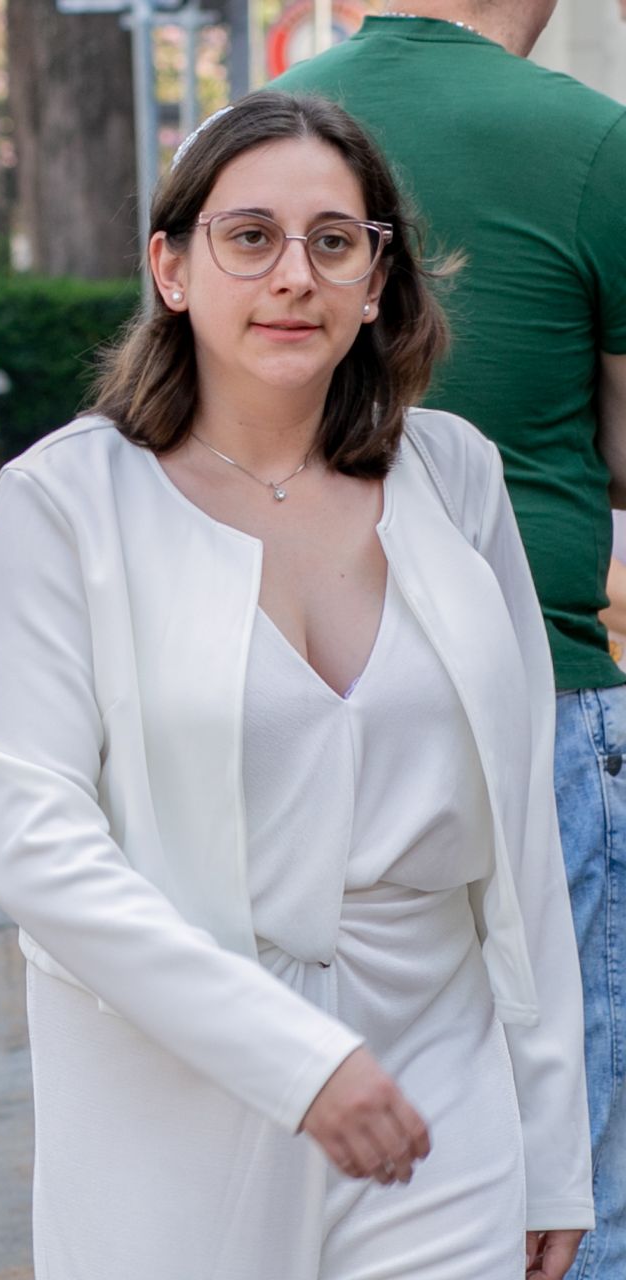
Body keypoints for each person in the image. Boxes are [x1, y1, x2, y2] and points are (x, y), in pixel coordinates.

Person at [0, 92, 591, 1279]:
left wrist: (552, 1136)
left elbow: (523, 830)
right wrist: (299, 1059)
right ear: (174, 267)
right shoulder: (67, 502)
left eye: (334, 241)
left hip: (438, 1081)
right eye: (250, 237)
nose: (295, 274)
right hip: (173, 1091)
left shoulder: (457, 477)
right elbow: (40, 846)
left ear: (378, 278)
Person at [275, 13, 626, 1275]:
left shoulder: (264, 124)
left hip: (283, 688)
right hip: (536, 677)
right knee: (565, 1147)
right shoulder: (594, 140)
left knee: (325, 1140)